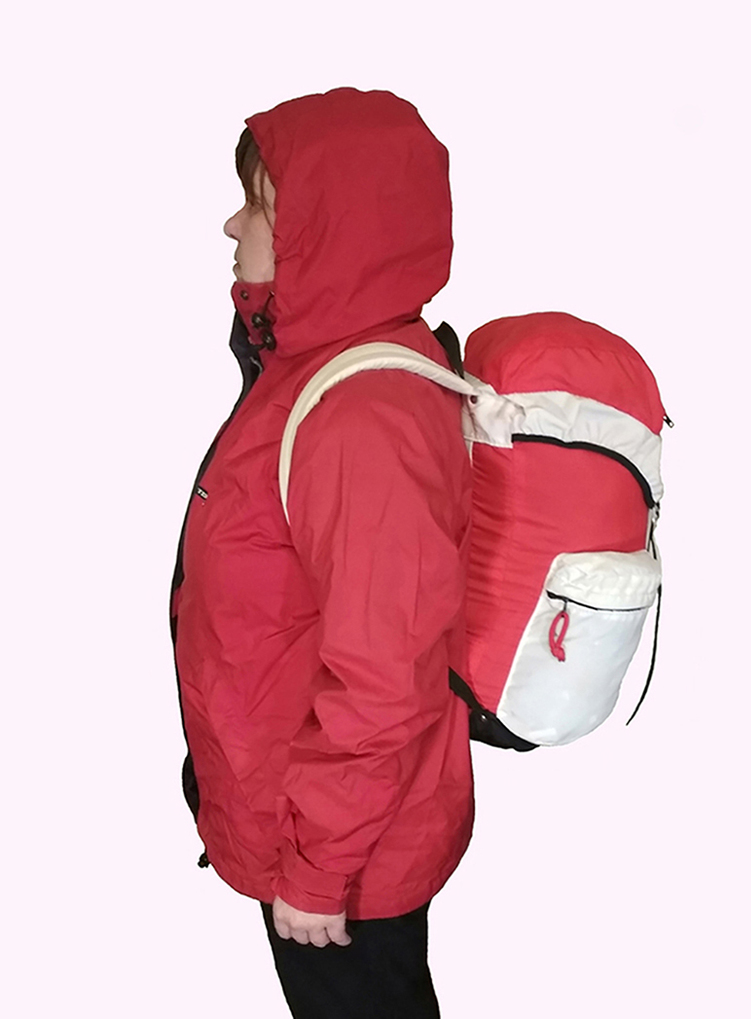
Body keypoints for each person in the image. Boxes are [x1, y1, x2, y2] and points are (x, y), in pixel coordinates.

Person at [170, 87, 474, 1018]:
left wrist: (315, 866)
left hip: (345, 860)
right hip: (311, 817)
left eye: (257, 206)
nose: (233, 225)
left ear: (322, 230)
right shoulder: (314, 366)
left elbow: (385, 681)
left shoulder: (363, 414)